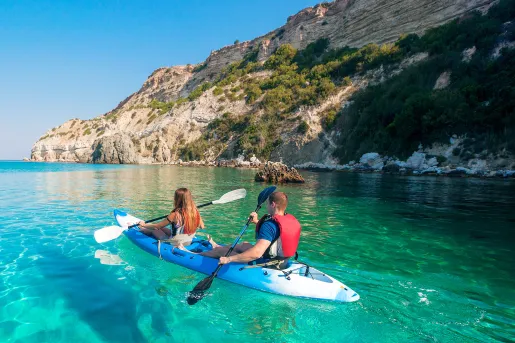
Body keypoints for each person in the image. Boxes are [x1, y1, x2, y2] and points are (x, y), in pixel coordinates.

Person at [197, 191, 301, 268]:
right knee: (244, 244)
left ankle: (195, 255)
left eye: (267, 203)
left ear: (273, 204)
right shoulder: (288, 219)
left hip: (268, 264)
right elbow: (276, 233)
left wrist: (229, 259)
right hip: (283, 261)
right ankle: (217, 247)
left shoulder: (269, 225)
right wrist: (256, 221)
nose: (266, 206)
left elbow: (256, 253)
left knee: (222, 252)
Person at [137, 188, 205, 246]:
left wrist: (144, 225)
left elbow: (157, 227)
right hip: (188, 241)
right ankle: (143, 227)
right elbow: (202, 226)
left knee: (154, 230)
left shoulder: (175, 214)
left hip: (175, 242)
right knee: (163, 229)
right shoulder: (195, 211)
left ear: (178, 199)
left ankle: (140, 228)